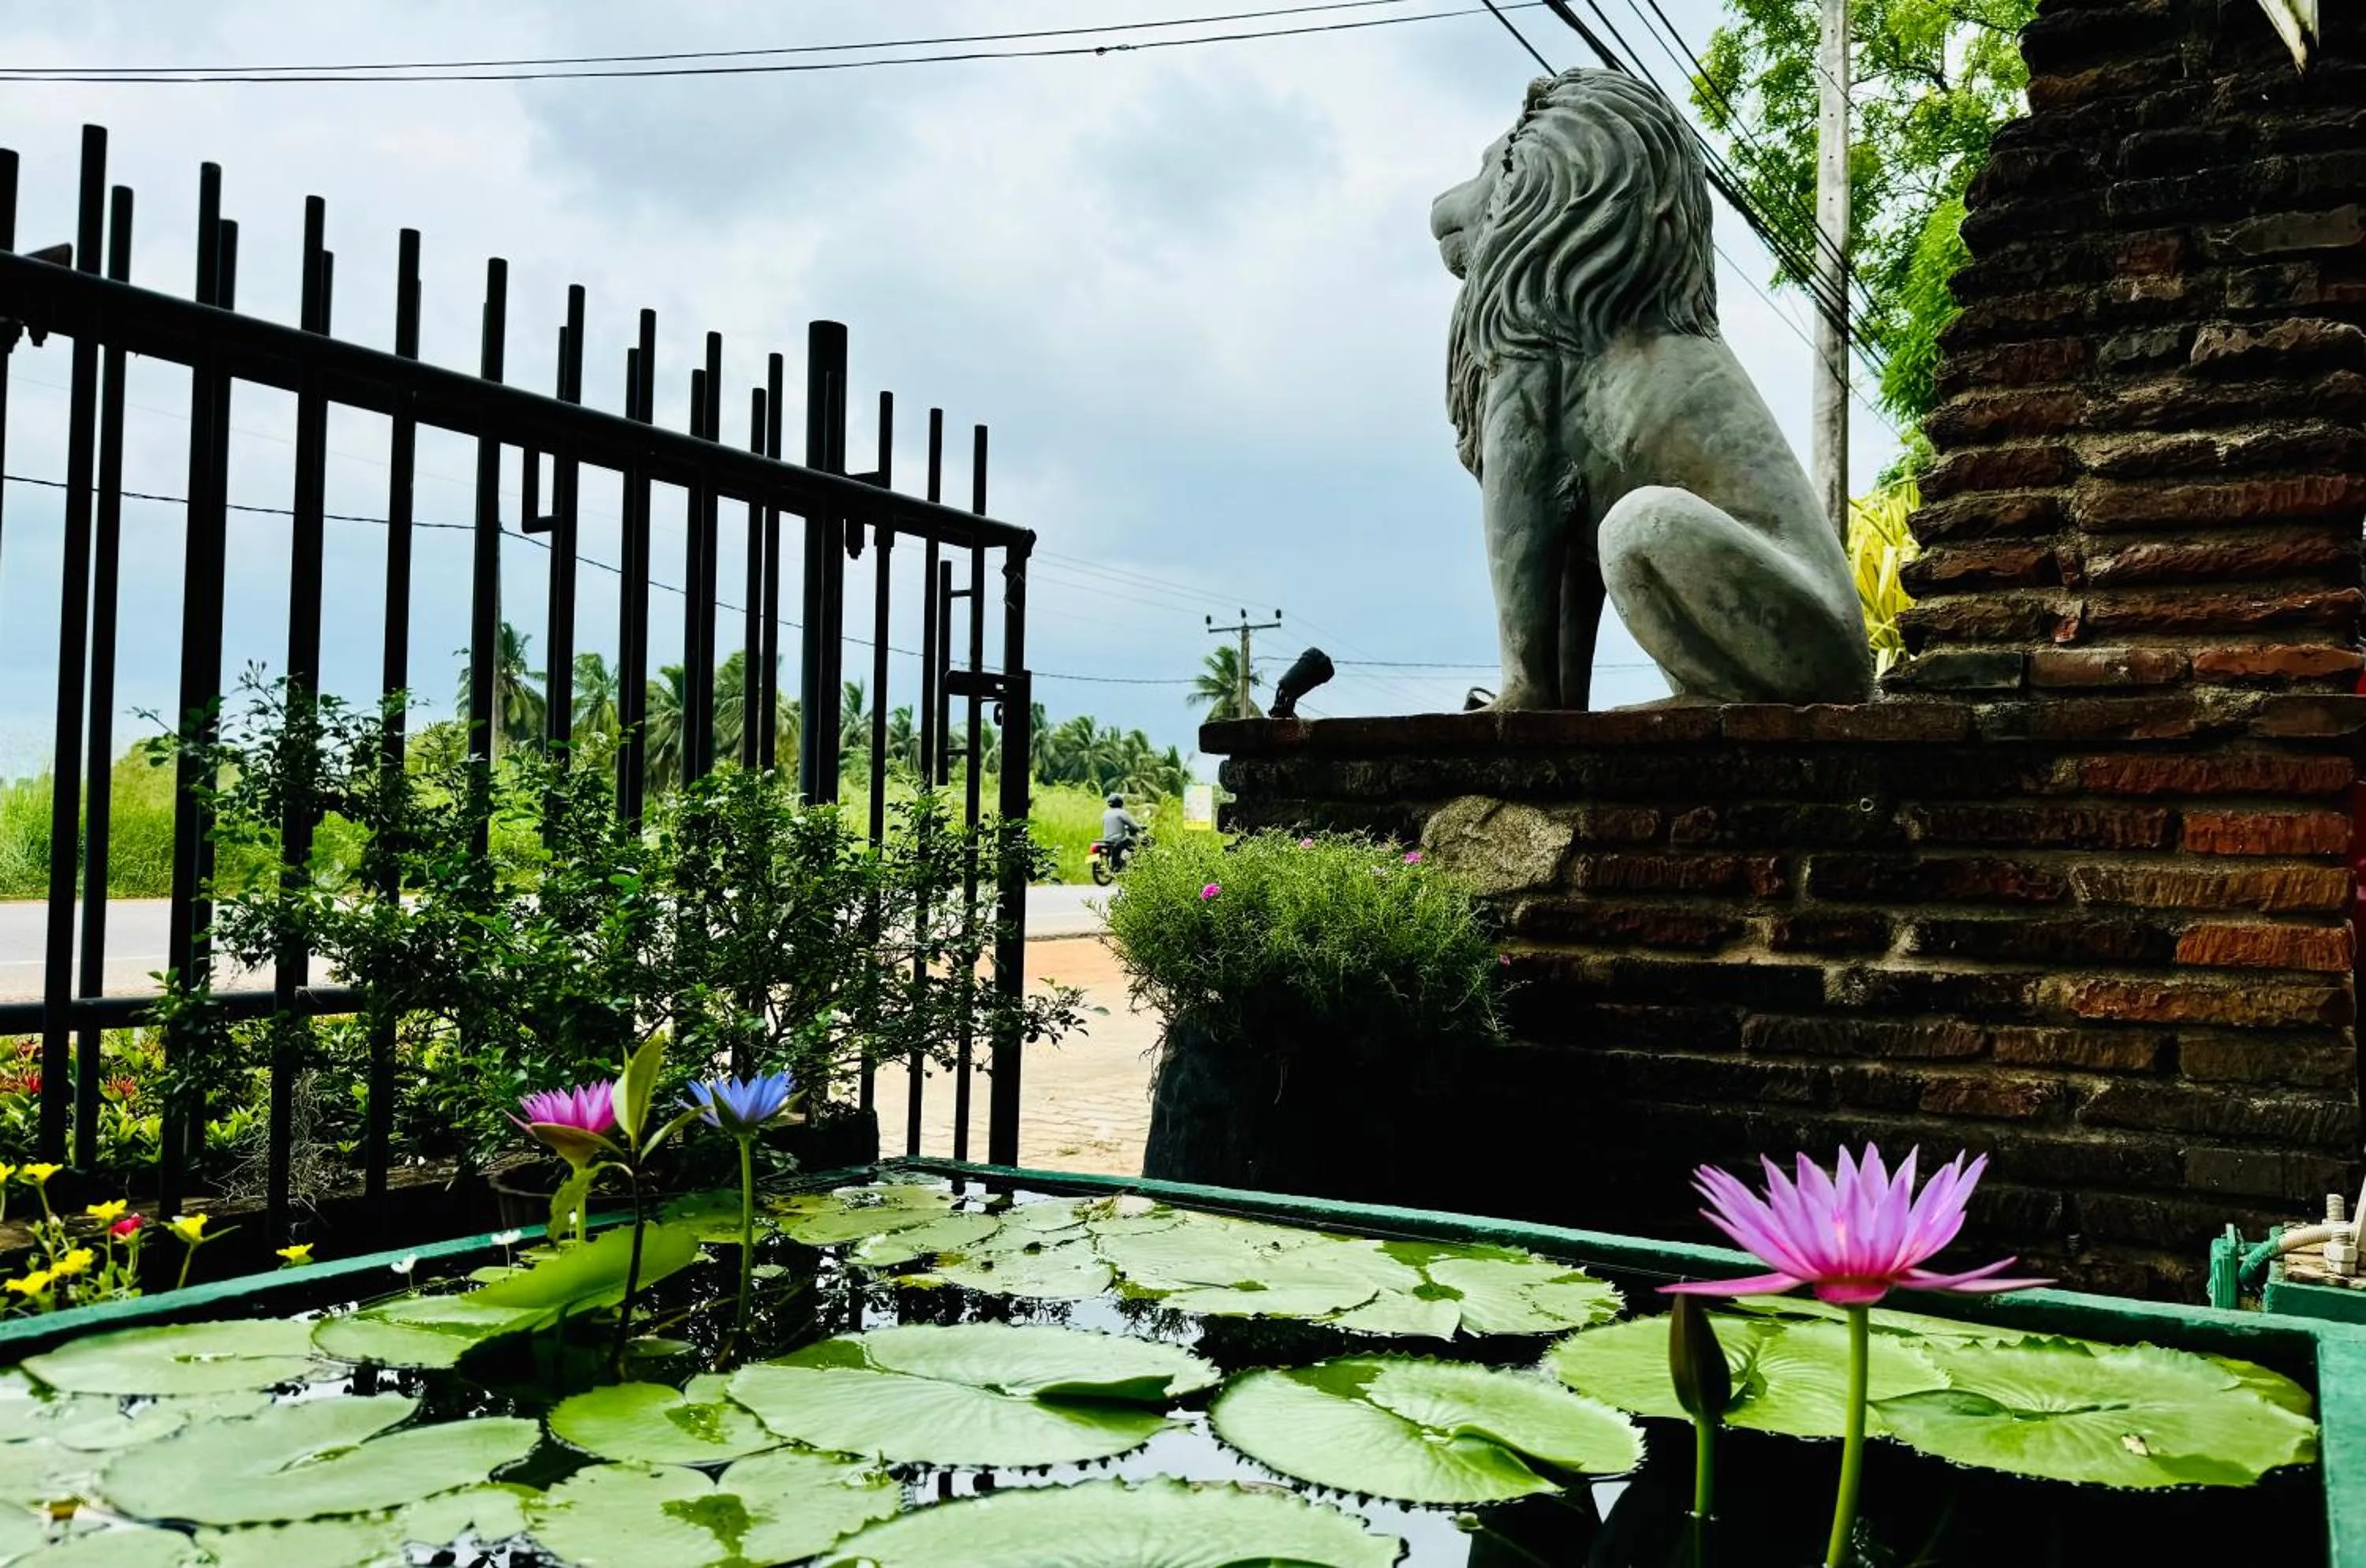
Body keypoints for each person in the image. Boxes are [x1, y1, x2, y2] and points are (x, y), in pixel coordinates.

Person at [1101, 792, 1144, 872]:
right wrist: (1139, 828)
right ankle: (1134, 865)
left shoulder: (1105, 813)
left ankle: (1123, 863)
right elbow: (1133, 825)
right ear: (1120, 803)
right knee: (1136, 846)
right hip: (1118, 841)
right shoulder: (1122, 813)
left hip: (1106, 840)